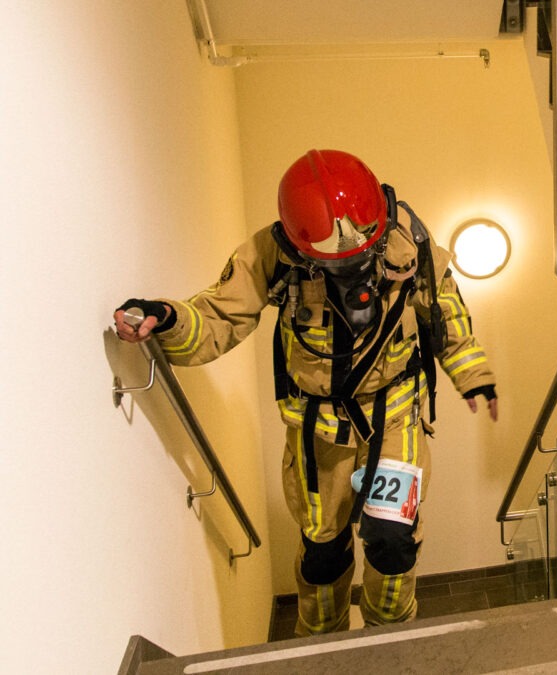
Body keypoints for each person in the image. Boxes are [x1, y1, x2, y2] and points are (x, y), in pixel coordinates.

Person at [114, 149, 498, 636]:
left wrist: (474, 375)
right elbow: (218, 315)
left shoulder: (412, 244)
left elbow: (448, 321)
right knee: (323, 550)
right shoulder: (272, 256)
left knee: (392, 540)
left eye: (361, 251)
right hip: (317, 430)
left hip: (394, 420)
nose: (353, 266)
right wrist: (165, 319)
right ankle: (321, 644)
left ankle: (394, 638)